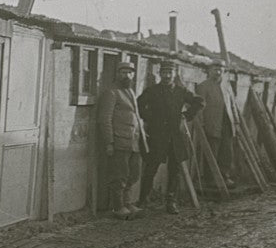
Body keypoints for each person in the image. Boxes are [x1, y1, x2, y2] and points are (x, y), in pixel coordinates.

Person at [136, 61, 203, 214]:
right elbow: (138, 105)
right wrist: (149, 118)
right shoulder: (152, 91)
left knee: (175, 170)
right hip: (157, 136)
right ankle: (143, 200)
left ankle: (171, 202)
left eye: (170, 73)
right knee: (150, 168)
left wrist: (187, 115)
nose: (167, 76)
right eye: (164, 73)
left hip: (175, 136)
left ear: (174, 74)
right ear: (160, 74)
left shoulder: (181, 91)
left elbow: (200, 101)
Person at [97, 61, 148, 218]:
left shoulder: (131, 92)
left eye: (130, 73)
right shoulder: (111, 93)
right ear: (117, 74)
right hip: (119, 141)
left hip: (134, 141)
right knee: (119, 175)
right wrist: (109, 142)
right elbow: (105, 119)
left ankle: (128, 203)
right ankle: (118, 207)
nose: (127, 76)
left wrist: (142, 133)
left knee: (134, 174)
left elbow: (135, 116)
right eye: (123, 72)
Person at [194, 65, 238, 189]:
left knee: (226, 151)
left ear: (223, 72)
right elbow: (199, 107)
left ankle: (225, 177)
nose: (218, 72)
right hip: (212, 123)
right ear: (209, 71)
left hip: (227, 123)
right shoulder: (203, 86)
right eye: (215, 70)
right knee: (212, 151)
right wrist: (202, 123)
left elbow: (232, 104)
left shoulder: (227, 86)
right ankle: (211, 180)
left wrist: (236, 121)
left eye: (221, 70)